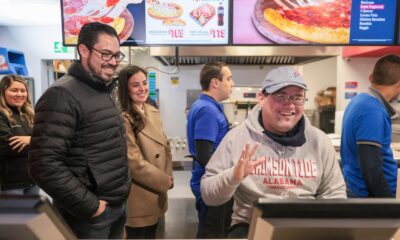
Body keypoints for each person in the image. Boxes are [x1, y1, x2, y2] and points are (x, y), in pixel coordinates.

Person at [201, 66, 347, 238]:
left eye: (298, 97)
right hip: (250, 227)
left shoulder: (319, 141)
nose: (290, 104)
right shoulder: (237, 138)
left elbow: (334, 194)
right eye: (281, 96)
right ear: (262, 98)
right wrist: (233, 177)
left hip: (307, 227)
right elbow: (208, 195)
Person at [28, 22, 130, 239]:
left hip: (116, 206)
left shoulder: (103, 89)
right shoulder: (61, 95)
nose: (113, 62)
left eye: (116, 55)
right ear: (83, 51)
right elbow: (44, 164)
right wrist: (91, 206)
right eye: (105, 54)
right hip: (90, 215)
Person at [118, 65, 174, 239]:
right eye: (135, 85)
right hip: (139, 193)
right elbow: (133, 162)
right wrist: (163, 180)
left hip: (157, 191)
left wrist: (168, 176)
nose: (142, 89)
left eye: (144, 83)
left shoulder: (152, 111)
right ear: (125, 89)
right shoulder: (123, 118)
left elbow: (165, 147)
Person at [187, 61, 235, 238]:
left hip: (211, 181)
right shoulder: (207, 110)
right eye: (229, 79)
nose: (232, 83)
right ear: (215, 82)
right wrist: (228, 177)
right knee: (213, 233)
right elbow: (204, 155)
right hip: (212, 184)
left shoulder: (207, 106)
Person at [341, 55, 400, 198]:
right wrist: (386, 204)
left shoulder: (360, 101)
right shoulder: (372, 111)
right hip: (366, 196)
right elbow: (370, 166)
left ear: (371, 77)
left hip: (358, 190)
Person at [0, 75, 38, 195]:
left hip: (33, 179)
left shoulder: (27, 115)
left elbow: (48, 138)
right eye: (14, 90)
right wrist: (37, 142)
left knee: (34, 215)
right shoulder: (2, 115)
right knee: (15, 214)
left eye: (23, 90)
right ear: (3, 92)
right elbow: (10, 145)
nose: (20, 94)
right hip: (10, 183)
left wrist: (30, 140)